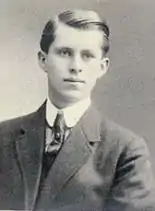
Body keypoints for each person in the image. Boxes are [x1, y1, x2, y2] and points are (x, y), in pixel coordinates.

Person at [0, 9, 155, 211]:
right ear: (43, 60)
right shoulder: (4, 137)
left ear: (102, 67)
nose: (75, 66)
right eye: (65, 53)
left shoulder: (125, 151)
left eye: (87, 56)